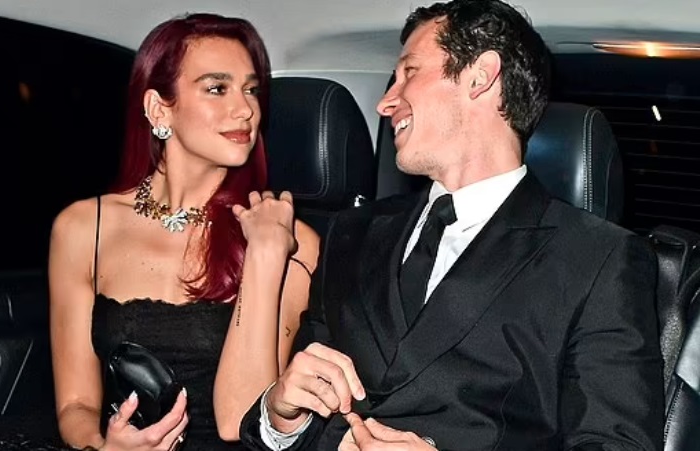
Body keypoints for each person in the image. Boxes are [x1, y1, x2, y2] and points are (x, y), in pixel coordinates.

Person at [238, 1, 664, 450]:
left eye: (409, 72)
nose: (385, 102)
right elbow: (307, 414)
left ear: (480, 77)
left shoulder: (597, 259)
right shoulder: (352, 233)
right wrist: (281, 416)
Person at [49, 13, 319, 451]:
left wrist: (264, 256)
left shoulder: (288, 238)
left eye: (251, 90)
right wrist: (103, 447)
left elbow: (245, 420)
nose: (245, 109)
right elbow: (75, 404)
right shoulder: (83, 228)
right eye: (217, 88)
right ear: (159, 109)